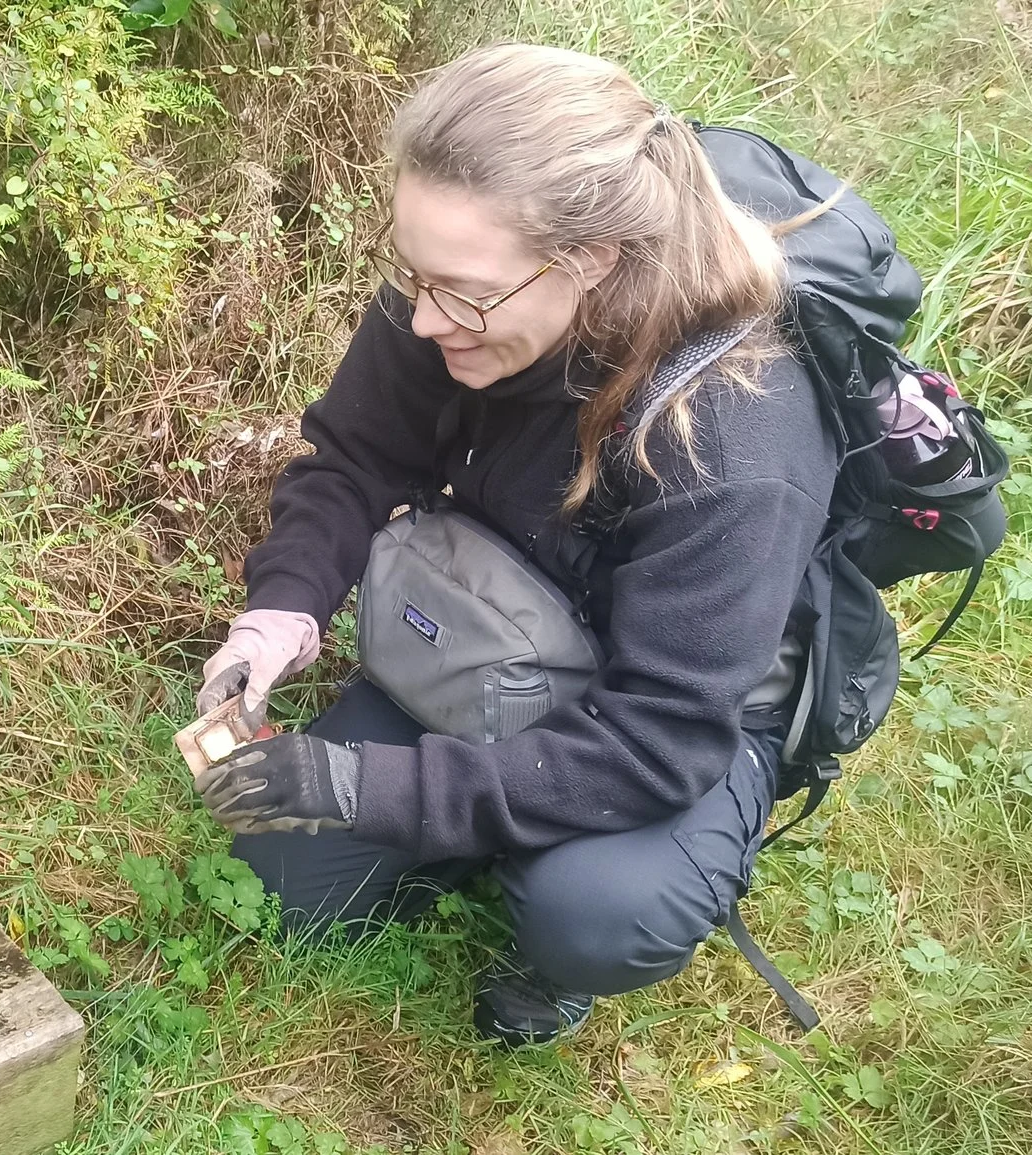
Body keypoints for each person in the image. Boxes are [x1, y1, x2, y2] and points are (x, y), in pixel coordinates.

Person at [192, 44, 840, 1046]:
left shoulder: (737, 436)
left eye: (456, 292)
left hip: (660, 714)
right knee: (280, 890)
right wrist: (279, 613)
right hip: (498, 635)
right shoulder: (463, 291)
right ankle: (480, 819)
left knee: (599, 912)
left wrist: (364, 786)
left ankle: (560, 951)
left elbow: (654, 739)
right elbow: (353, 458)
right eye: (412, 275)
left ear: (591, 261)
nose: (422, 317)